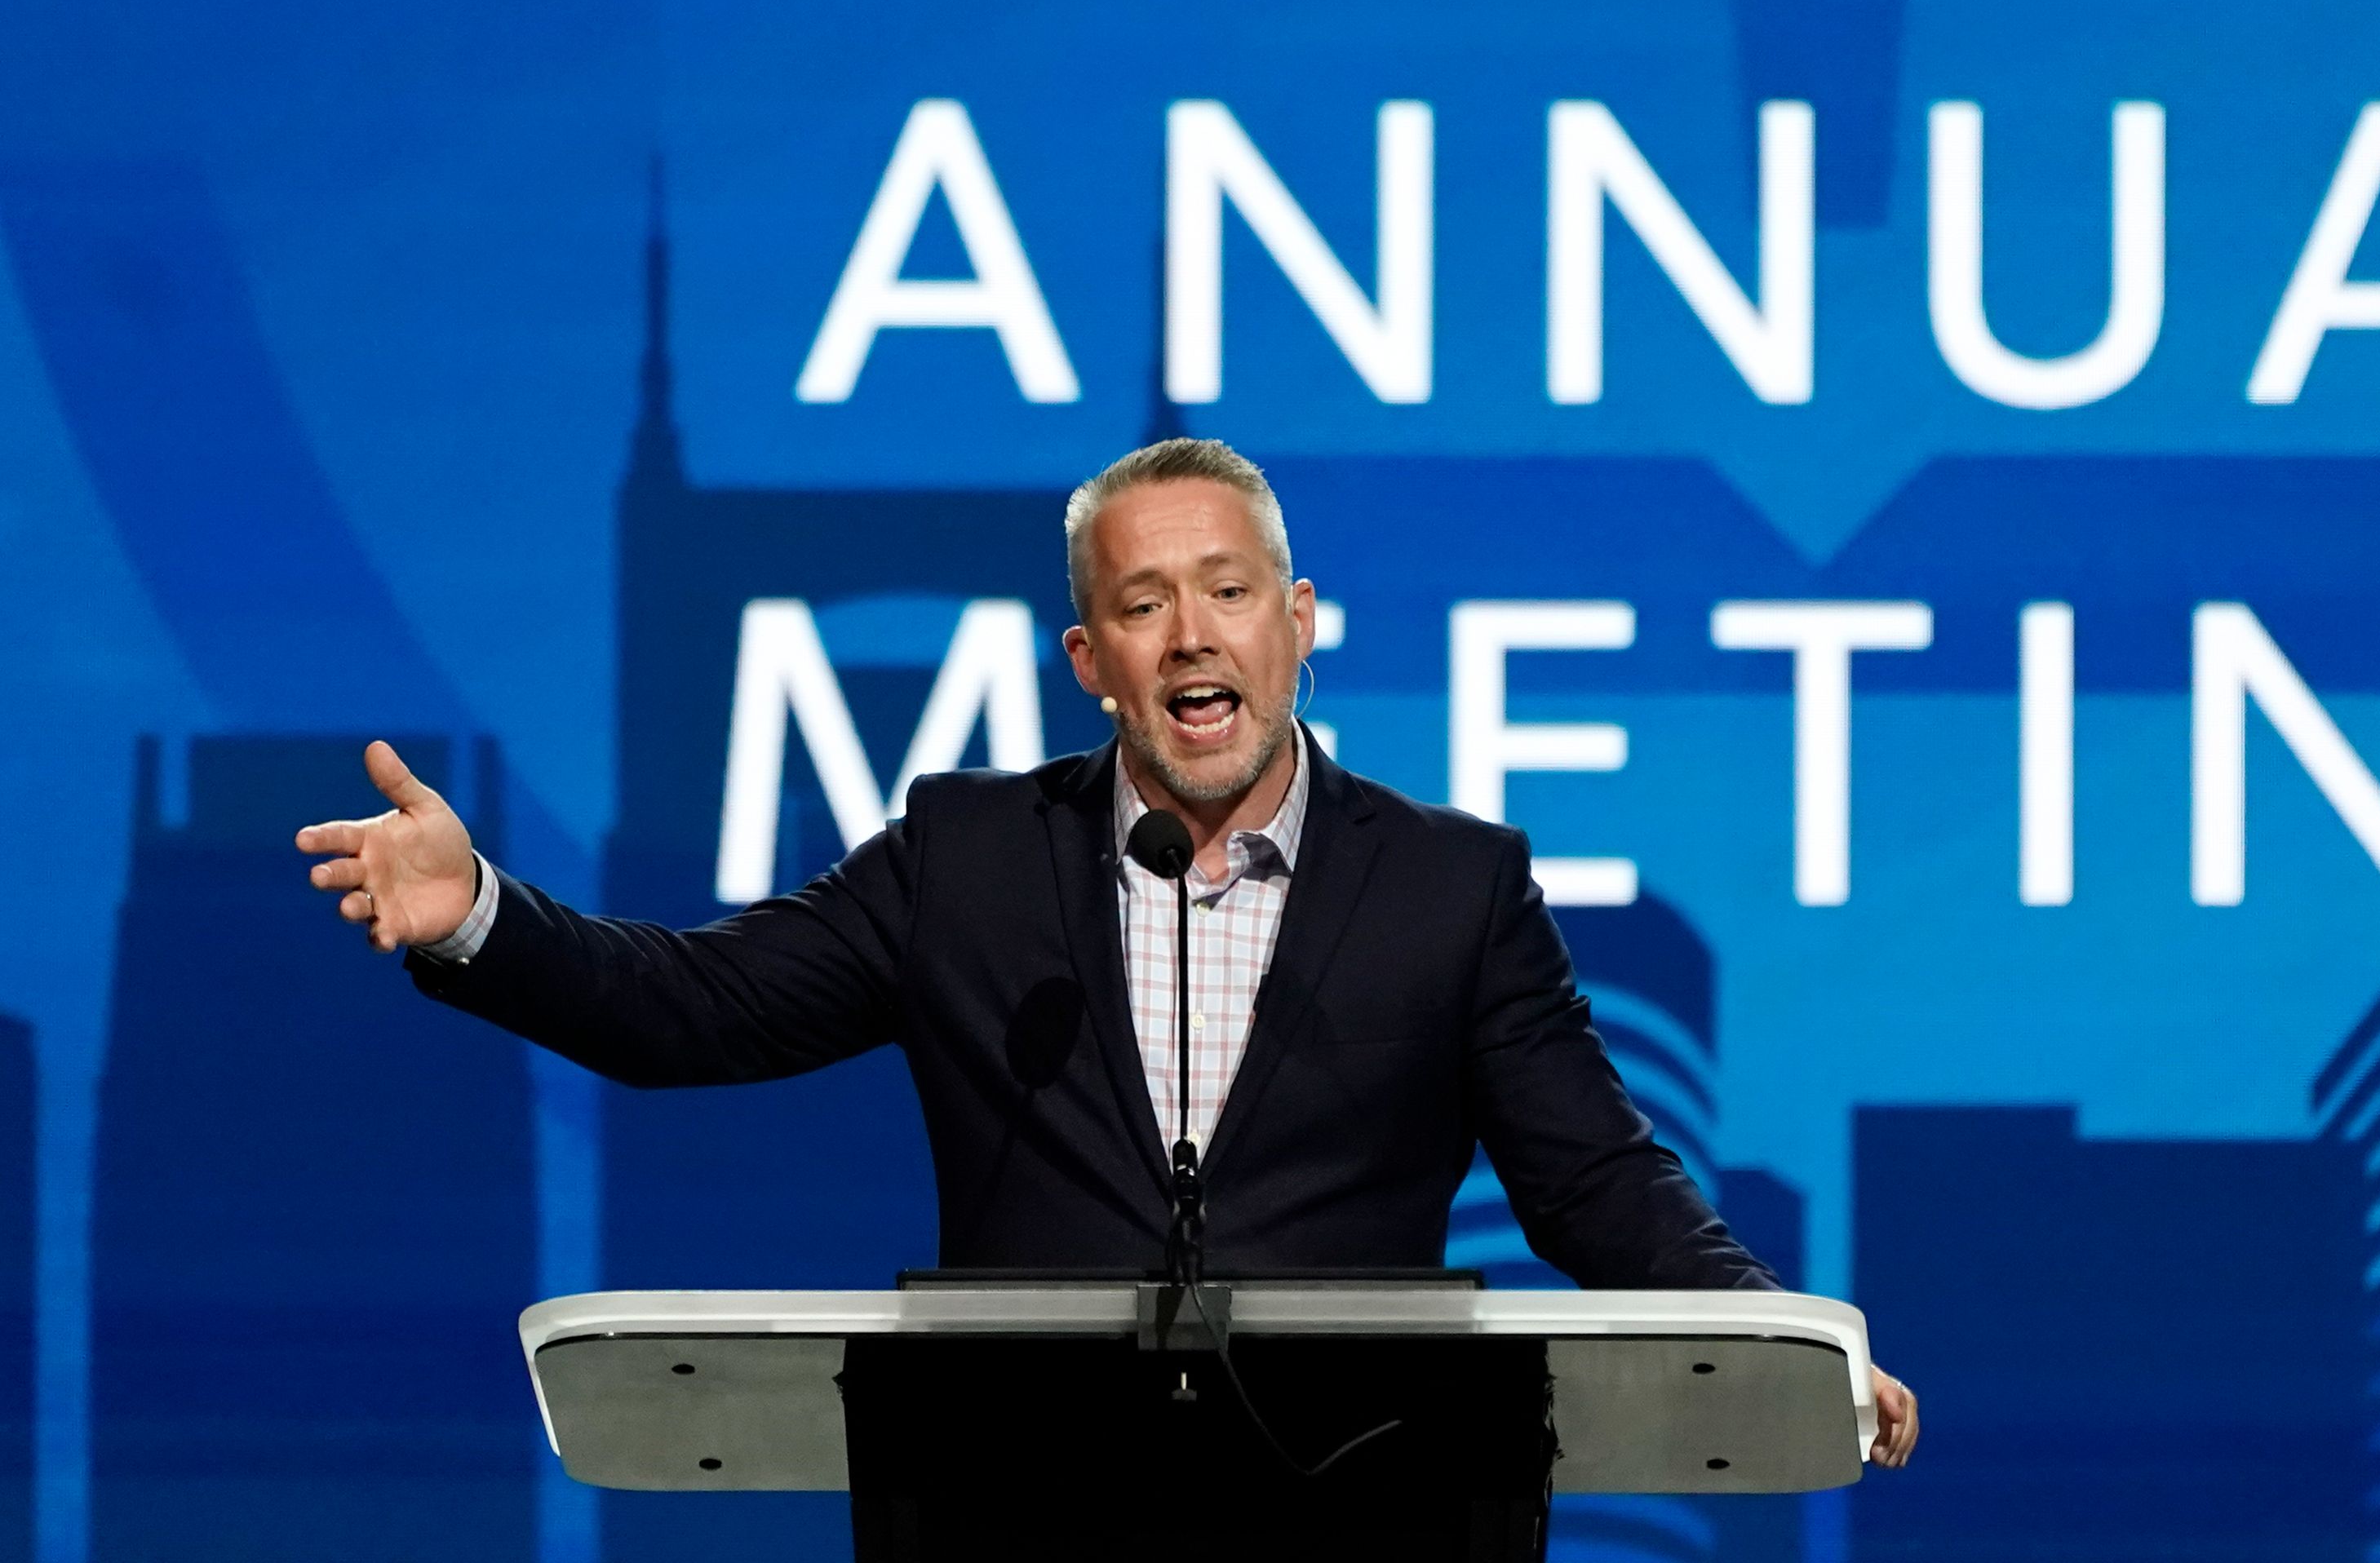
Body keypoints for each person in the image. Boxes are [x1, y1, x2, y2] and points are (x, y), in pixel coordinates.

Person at [299, 437, 1917, 1467]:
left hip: (1359, 1497)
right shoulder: (967, 859)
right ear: (1091, 657)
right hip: (1028, 1496)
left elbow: (1598, 1181)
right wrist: (479, 916)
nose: (1194, 634)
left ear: (1299, 619)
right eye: (1145, 602)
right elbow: (694, 1009)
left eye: (1229, 589)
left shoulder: (1452, 884)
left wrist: (1788, 1342)